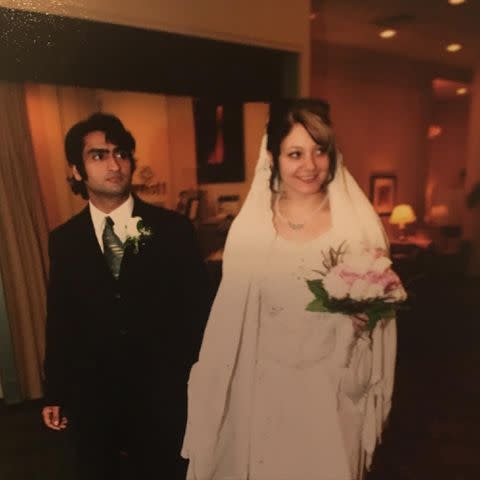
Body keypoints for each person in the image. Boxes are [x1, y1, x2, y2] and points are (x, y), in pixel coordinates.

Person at [181, 99, 397, 480]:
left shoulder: (355, 228)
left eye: (319, 151)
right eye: (295, 153)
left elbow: (379, 312)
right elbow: (231, 321)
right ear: (272, 156)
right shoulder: (252, 228)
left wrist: (367, 322)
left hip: (330, 386)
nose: (309, 165)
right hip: (264, 386)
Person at [41, 113, 211, 479]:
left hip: (161, 394)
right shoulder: (65, 240)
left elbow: (198, 314)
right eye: (98, 156)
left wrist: (197, 384)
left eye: (121, 153)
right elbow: (61, 317)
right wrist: (55, 390)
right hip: (94, 393)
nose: (115, 164)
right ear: (76, 169)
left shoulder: (171, 229)